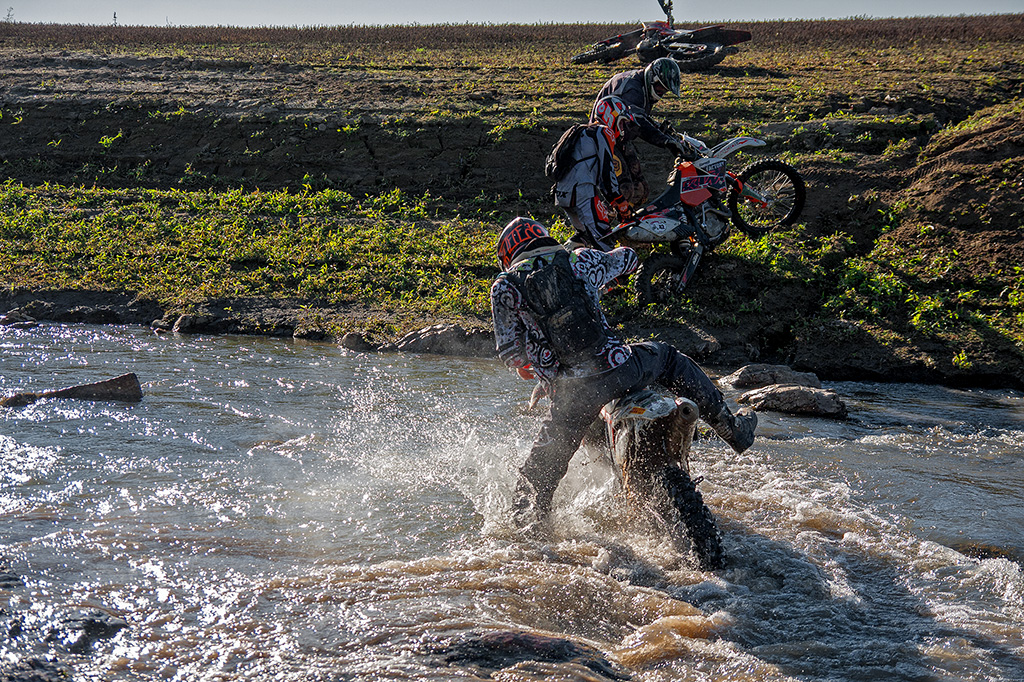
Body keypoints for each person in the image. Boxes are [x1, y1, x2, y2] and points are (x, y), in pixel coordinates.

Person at [490, 217, 757, 535]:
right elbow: (628, 260)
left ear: (508, 255)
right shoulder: (579, 259)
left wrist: (532, 365)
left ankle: (528, 539)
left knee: (535, 482)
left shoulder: (504, 287)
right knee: (671, 359)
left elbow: (511, 355)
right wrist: (593, 254)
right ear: (545, 238)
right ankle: (733, 431)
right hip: (623, 369)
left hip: (573, 396)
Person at [590, 57, 691, 209]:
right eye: (659, 88)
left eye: (664, 91)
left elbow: (642, 118)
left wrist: (664, 132)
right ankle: (607, 220)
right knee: (624, 188)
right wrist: (665, 141)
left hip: (620, 138)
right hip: (604, 139)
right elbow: (638, 122)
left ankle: (630, 222)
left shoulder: (641, 83)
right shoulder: (633, 89)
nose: (661, 93)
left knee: (640, 189)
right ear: (652, 78)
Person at [553, 96, 638, 252]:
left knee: (585, 238)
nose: (622, 129)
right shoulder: (604, 132)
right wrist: (620, 201)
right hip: (582, 193)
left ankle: (567, 263)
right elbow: (607, 171)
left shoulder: (582, 132)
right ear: (610, 116)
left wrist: (613, 200)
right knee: (605, 244)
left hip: (562, 194)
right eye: (621, 122)